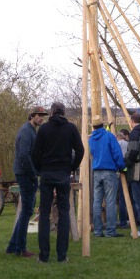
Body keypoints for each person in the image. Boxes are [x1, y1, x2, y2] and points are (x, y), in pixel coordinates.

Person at [31, 101, 84, 263]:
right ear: (64, 112)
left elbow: (34, 153)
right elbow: (80, 150)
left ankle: (44, 256)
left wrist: (40, 169)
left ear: (52, 112)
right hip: (63, 175)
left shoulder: (44, 129)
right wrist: (71, 168)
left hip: (46, 175)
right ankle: (62, 256)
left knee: (44, 214)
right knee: (64, 213)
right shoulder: (71, 128)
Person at [6, 105, 48, 257]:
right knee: (26, 211)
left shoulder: (32, 131)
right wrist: (33, 173)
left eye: (43, 115)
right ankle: (20, 248)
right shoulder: (26, 132)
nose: (41, 118)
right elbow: (24, 155)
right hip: (25, 174)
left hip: (26, 173)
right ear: (32, 116)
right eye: (39, 115)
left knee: (27, 210)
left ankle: (12, 246)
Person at [88, 114, 126, 238]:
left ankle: (98, 231)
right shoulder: (109, 136)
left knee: (97, 202)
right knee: (110, 202)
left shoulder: (91, 139)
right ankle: (110, 230)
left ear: (93, 126)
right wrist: (121, 166)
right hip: (109, 171)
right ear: (102, 124)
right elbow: (117, 153)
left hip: (97, 172)